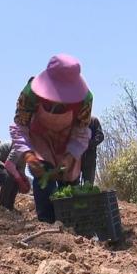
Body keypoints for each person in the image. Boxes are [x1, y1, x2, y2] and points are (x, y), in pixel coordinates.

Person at [9, 54, 92, 223]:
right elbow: (20, 126)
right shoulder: (30, 94)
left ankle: (70, 225)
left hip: (68, 140)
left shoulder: (85, 100)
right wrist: (28, 155)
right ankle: (46, 223)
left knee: (69, 181)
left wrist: (70, 156)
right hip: (41, 137)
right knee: (43, 177)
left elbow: (81, 131)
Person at [81, 116, 104, 185]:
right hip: (76, 161)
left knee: (88, 186)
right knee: (73, 188)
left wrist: (88, 144)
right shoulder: (74, 123)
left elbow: (100, 136)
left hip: (89, 160)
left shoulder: (93, 120)